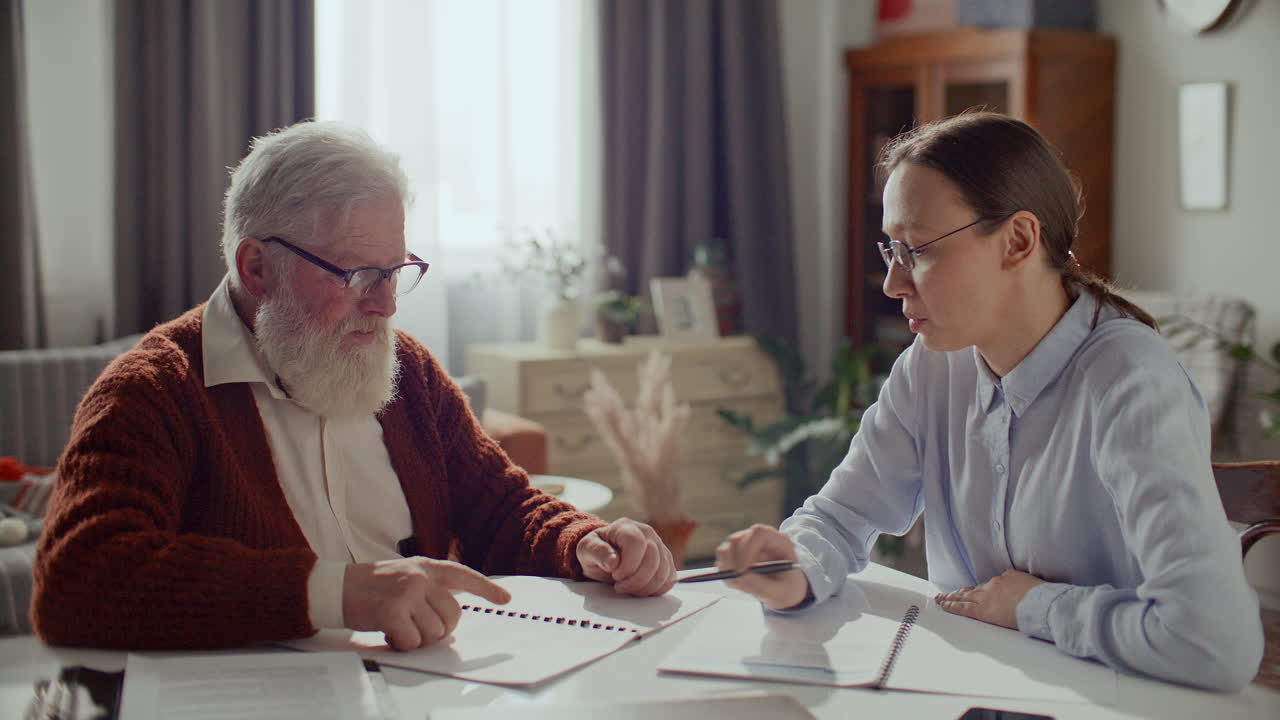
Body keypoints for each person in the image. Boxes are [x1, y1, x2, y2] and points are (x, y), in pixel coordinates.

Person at [31, 121, 675, 651]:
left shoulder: (407, 370)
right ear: (256, 268)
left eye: (396, 270)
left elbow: (501, 508)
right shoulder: (151, 392)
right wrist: (337, 593)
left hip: (428, 688)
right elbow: (77, 579)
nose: (386, 304)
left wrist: (583, 542)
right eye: (358, 274)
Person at [714, 112, 1263, 692]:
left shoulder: (1131, 382)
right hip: (965, 688)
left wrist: (1034, 607)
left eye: (917, 250)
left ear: (1018, 241)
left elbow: (1214, 643)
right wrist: (795, 566)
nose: (893, 283)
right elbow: (840, 517)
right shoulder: (932, 365)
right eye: (891, 250)